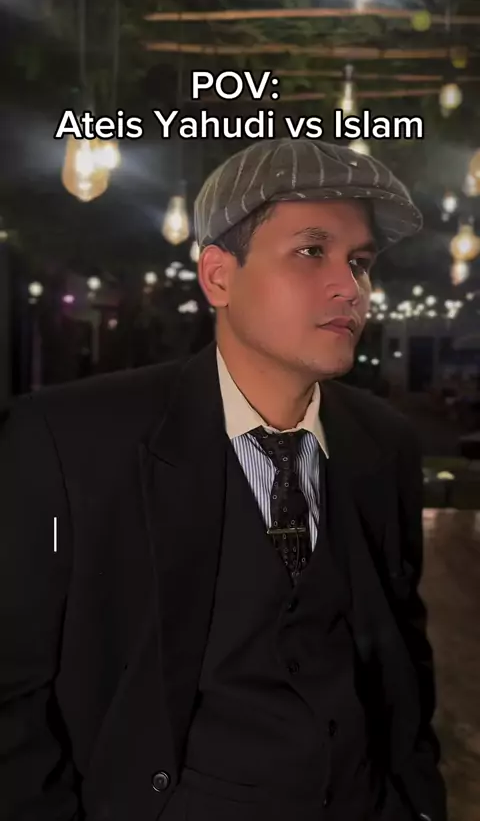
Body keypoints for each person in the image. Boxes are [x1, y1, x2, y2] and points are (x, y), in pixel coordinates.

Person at [0, 138, 446, 821]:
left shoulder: (384, 443)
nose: (349, 288)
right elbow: (14, 693)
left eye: (359, 262)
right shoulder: (69, 440)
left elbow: (402, 660)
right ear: (218, 277)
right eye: (311, 251)